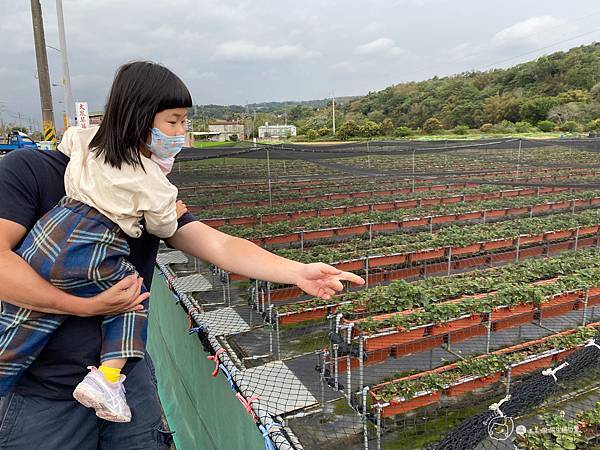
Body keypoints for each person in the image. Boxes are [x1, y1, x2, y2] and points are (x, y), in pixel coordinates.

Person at [0, 62, 364, 448]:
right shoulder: (31, 170)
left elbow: (216, 243)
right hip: (42, 394)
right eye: (174, 121)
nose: (181, 133)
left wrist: (296, 272)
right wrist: (80, 306)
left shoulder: (147, 188)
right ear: (137, 117)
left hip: (126, 380)